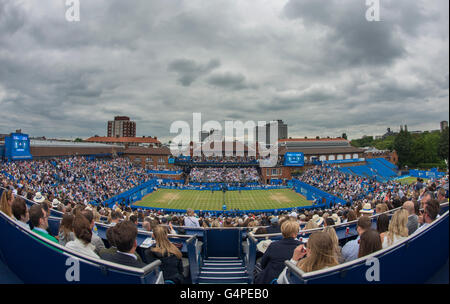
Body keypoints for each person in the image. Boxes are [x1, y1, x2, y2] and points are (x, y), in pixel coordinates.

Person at [254, 220, 301, 284]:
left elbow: (263, 264)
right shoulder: (302, 246)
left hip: (273, 279)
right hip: (293, 279)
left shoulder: (274, 245)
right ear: (296, 233)